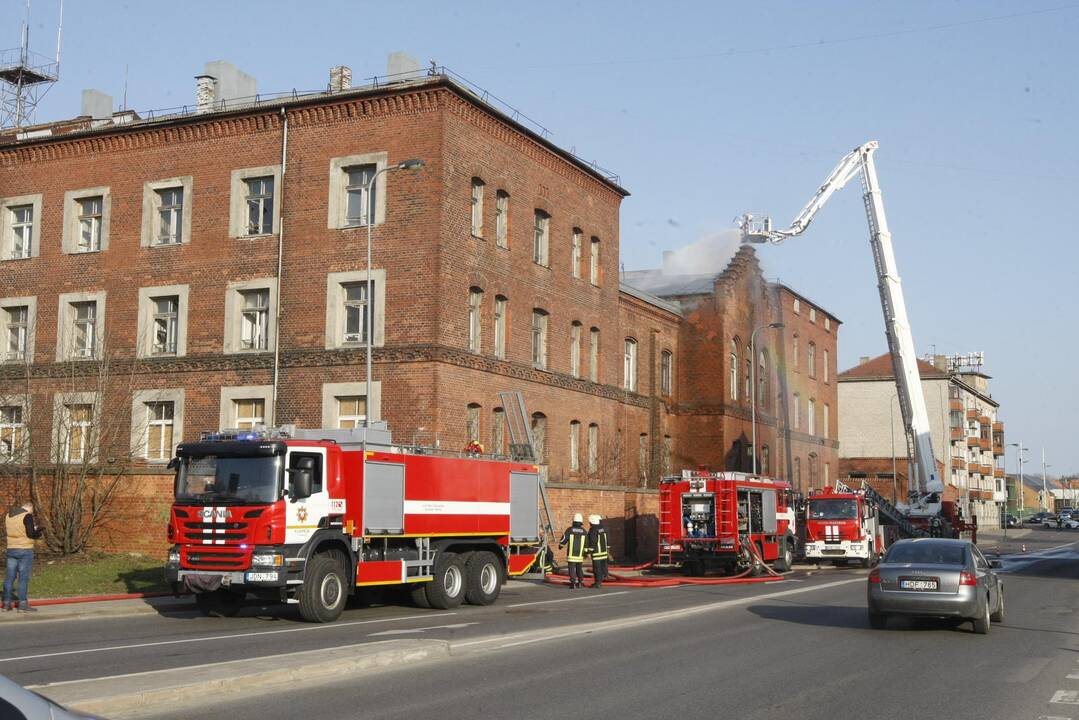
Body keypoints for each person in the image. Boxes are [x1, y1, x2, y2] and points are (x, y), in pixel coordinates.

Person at [4, 501, 45, 612]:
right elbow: (30, 534)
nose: (32, 513)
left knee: (9, 578)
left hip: (11, 549)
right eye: (32, 510)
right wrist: (39, 533)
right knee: (23, 578)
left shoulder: (8, 515)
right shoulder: (27, 516)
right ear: (29, 507)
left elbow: (18, 530)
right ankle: (22, 605)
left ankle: (6, 604)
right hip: (24, 550)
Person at [558, 513, 588, 589]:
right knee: (579, 568)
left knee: (571, 568)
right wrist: (586, 553)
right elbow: (587, 543)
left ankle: (573, 583)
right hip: (580, 555)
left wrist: (561, 545)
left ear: (573, 521)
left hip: (571, 554)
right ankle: (580, 582)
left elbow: (564, 538)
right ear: (581, 522)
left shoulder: (570, 530)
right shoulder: (584, 531)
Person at [587, 514, 610, 588]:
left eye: (590, 522)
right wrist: (607, 548)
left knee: (597, 568)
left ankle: (598, 582)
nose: (589, 524)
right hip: (604, 552)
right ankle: (605, 576)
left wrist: (589, 551)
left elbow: (593, 541)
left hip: (597, 553)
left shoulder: (593, 530)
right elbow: (608, 539)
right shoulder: (604, 528)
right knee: (604, 566)